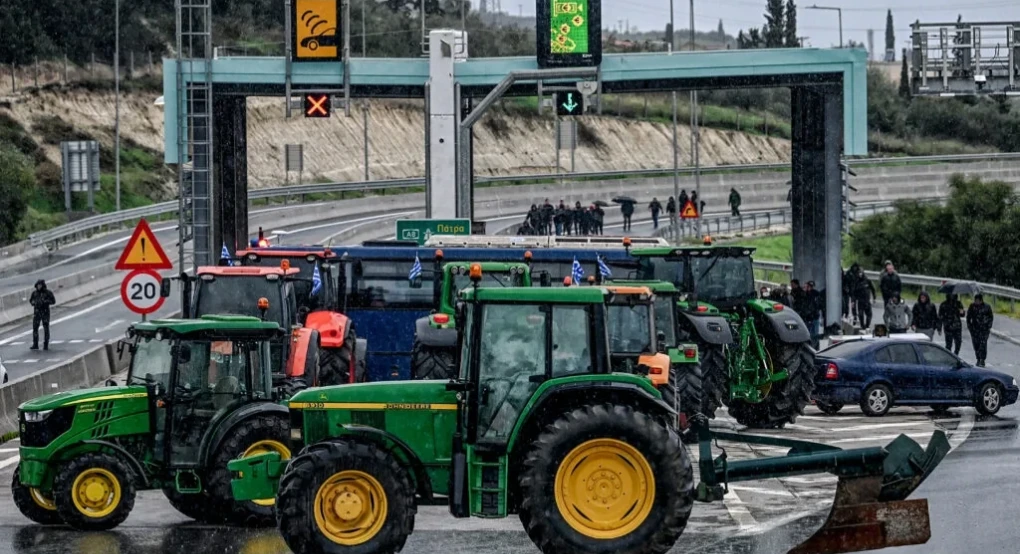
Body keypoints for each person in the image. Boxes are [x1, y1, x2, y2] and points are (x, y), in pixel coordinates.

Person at [966, 294, 994, 367]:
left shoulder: (987, 307)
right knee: (976, 345)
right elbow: (968, 318)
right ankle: (978, 358)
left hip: (984, 330)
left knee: (983, 345)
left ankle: (982, 359)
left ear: (981, 300)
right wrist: (970, 328)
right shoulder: (972, 307)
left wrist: (988, 326)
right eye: (975, 301)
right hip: (975, 330)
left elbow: (991, 317)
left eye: (978, 301)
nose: (976, 302)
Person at [30, 280, 56, 351]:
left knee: (46, 328)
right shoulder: (34, 293)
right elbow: (31, 300)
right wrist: (34, 303)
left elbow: (53, 301)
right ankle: (35, 344)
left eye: (40, 285)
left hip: (45, 312)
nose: (39, 287)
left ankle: (46, 344)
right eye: (38, 285)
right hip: (37, 313)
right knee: (35, 328)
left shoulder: (48, 293)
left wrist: (45, 302)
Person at [848, 264, 875, 329]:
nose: (860, 274)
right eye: (859, 273)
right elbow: (853, 292)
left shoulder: (867, 281)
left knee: (869, 314)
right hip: (860, 301)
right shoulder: (856, 282)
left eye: (861, 273)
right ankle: (862, 326)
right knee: (860, 314)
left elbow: (873, 289)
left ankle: (867, 325)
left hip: (867, 300)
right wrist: (853, 301)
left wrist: (874, 297)